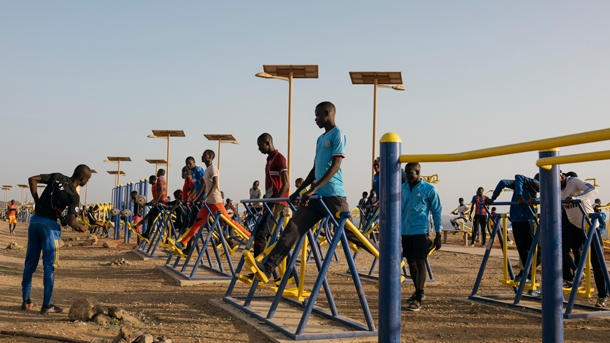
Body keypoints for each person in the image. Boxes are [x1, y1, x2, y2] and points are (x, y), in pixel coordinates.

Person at [245, 101, 379, 283]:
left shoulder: (338, 134)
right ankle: (268, 267)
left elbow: (335, 166)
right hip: (316, 198)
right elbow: (315, 169)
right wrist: (300, 190)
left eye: (317, 116)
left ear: (327, 113)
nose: (315, 119)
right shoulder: (319, 139)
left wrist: (313, 188)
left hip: (334, 196)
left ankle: (387, 259)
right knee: (293, 228)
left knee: (350, 233)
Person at [21, 165, 91, 314]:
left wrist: (37, 201)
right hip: (49, 227)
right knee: (49, 265)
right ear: (82, 178)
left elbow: (32, 179)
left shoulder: (57, 177)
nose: (87, 182)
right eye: (88, 179)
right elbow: (71, 221)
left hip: (34, 223)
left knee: (30, 263)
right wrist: (81, 227)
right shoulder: (74, 195)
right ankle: (46, 305)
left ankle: (26, 301)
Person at [174, 150, 250, 253]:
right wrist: (191, 199)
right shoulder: (206, 170)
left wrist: (204, 198)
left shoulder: (213, 168)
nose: (202, 156)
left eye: (204, 155)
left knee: (229, 221)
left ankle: (249, 236)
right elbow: (197, 188)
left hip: (215, 201)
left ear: (210, 157)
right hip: (208, 203)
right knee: (197, 223)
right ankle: (183, 243)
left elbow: (215, 185)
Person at [554, 174, 607, 307]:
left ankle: (602, 296)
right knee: (558, 249)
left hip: (589, 225)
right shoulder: (554, 188)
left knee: (597, 262)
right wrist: (532, 200)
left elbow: (594, 190)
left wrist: (575, 198)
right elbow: (544, 197)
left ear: (561, 176)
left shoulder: (573, 181)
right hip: (573, 227)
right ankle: (575, 273)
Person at [485, 174, 541, 294]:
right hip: (527, 221)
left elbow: (503, 182)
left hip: (515, 222)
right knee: (541, 251)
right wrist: (520, 196)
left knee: (526, 254)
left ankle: (532, 286)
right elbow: (519, 176)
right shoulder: (535, 183)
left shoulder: (520, 184)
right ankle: (522, 275)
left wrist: (493, 198)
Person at [401, 162, 442, 311]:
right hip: (406, 231)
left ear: (418, 173)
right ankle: (419, 291)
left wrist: (438, 234)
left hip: (421, 230)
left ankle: (418, 299)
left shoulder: (429, 189)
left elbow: (437, 212)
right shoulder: (403, 189)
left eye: (410, 173)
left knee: (420, 261)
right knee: (410, 262)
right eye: (406, 173)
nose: (407, 176)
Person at [252, 133, 290, 257]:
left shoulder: (279, 158)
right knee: (267, 235)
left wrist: (274, 203)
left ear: (268, 143)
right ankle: (263, 267)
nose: (259, 149)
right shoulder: (269, 160)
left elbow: (286, 184)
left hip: (278, 202)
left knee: (261, 234)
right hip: (270, 201)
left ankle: (259, 266)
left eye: (260, 145)